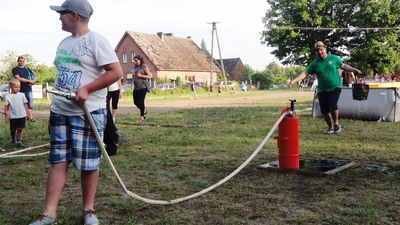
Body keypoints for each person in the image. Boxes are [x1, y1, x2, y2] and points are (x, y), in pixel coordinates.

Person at [29, 0, 123, 225]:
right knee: (57, 161)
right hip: (60, 111)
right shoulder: (63, 43)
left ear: (75, 16)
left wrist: (87, 89)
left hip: (87, 113)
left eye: (62, 14)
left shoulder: (96, 41)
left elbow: (116, 72)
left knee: (89, 163)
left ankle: (88, 210)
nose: (59, 17)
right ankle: (49, 213)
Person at [288, 41, 362, 134]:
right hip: (322, 90)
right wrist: (294, 81)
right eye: (317, 51)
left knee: (332, 105)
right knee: (324, 110)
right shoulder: (315, 63)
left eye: (321, 50)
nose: (320, 52)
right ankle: (330, 127)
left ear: (325, 49)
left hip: (335, 87)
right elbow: (305, 73)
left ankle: (336, 124)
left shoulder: (334, 58)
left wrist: (354, 70)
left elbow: (344, 66)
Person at [3, 78, 31, 148]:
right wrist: (6, 117)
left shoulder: (22, 95)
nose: (18, 89)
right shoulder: (8, 97)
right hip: (13, 116)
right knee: (13, 129)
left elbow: (25, 105)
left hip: (22, 115)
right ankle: (13, 138)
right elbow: (6, 108)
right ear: (10, 87)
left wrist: (28, 114)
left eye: (19, 87)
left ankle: (19, 141)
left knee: (20, 128)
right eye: (15, 87)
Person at [12, 55, 37, 122]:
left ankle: (30, 118)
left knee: (30, 104)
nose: (22, 62)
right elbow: (18, 78)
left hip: (28, 89)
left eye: (23, 61)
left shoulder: (27, 68)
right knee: (21, 104)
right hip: (19, 89)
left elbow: (35, 76)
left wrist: (33, 82)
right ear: (18, 61)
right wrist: (29, 81)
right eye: (20, 61)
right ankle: (24, 117)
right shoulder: (15, 69)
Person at [132, 54, 152, 122]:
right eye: (134, 61)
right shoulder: (135, 67)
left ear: (140, 60)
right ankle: (144, 110)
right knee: (135, 102)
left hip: (143, 87)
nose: (134, 62)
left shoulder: (144, 66)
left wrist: (141, 75)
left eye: (136, 60)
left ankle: (142, 117)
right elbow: (135, 75)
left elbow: (150, 76)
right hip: (136, 87)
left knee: (141, 101)